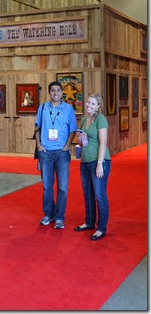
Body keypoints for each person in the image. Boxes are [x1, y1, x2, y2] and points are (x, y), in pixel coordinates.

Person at [34, 81, 77, 229]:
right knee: (47, 186)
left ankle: (59, 217)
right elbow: (37, 127)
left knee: (62, 187)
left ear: (62, 93)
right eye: (53, 90)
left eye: (58, 90)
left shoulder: (68, 109)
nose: (56, 93)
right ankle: (48, 214)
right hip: (45, 153)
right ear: (49, 92)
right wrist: (39, 146)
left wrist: (66, 147)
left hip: (62, 153)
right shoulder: (43, 108)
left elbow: (73, 130)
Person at [74, 93, 111, 240]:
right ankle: (89, 222)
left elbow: (103, 142)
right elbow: (83, 143)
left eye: (93, 104)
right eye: (88, 102)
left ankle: (101, 228)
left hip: (98, 161)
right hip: (85, 161)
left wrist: (100, 164)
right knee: (87, 194)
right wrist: (80, 139)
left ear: (98, 106)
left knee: (99, 195)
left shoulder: (100, 119)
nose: (89, 105)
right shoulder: (84, 120)